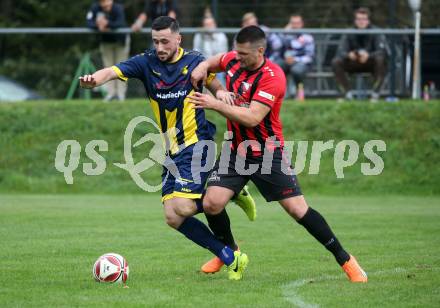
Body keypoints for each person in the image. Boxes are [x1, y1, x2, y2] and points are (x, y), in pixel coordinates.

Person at [79, 16, 256, 280]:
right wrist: (95, 79)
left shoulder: (195, 61)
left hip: (197, 143)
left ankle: (229, 192)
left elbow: (212, 82)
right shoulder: (146, 62)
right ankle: (230, 256)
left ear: (178, 39)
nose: (159, 47)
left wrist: (219, 93)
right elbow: (113, 70)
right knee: (172, 217)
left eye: (164, 41)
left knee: (183, 206)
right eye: (155, 41)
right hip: (171, 150)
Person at [188, 25, 368, 282]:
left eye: (243, 54)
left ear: (260, 51)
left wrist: (214, 103)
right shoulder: (234, 59)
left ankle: (346, 259)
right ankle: (230, 253)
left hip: (267, 153)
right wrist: (202, 67)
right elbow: (216, 61)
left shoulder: (273, 77)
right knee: (212, 203)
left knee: (298, 210)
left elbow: (252, 117)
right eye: (236, 52)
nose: (236, 57)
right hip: (236, 150)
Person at [331, 7, 387, 103]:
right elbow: (341, 51)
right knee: (336, 62)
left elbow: (382, 51)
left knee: (381, 60)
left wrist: (369, 55)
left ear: (368, 20)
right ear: (355, 20)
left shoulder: (376, 32)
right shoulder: (349, 32)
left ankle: (375, 95)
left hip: (371, 63)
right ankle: (347, 95)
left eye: (364, 19)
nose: (361, 22)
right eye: (358, 19)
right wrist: (349, 55)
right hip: (353, 63)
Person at [86, 0, 130, 102]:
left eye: (107, 5)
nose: (106, 7)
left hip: (120, 41)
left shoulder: (118, 8)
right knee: (107, 67)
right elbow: (89, 22)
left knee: (121, 67)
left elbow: (120, 22)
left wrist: (107, 24)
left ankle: (120, 95)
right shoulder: (95, 8)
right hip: (106, 42)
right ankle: (111, 94)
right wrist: (98, 25)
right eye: (104, 5)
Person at [282, 14, 315, 101]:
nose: (295, 25)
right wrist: (286, 31)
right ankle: (281, 93)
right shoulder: (287, 35)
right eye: (293, 23)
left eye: (297, 23)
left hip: (303, 63)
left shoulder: (307, 37)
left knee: (296, 70)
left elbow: (310, 56)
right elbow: (278, 45)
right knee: (276, 67)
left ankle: (299, 92)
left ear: (302, 24)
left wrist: (295, 60)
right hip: (288, 61)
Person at [193, 16, 228, 86]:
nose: (209, 27)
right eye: (206, 25)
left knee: (220, 74)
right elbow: (196, 52)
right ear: (203, 26)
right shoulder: (198, 36)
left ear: (215, 25)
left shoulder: (221, 36)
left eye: (210, 24)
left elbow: (223, 55)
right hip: (202, 64)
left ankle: (220, 92)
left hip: (217, 64)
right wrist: (204, 64)